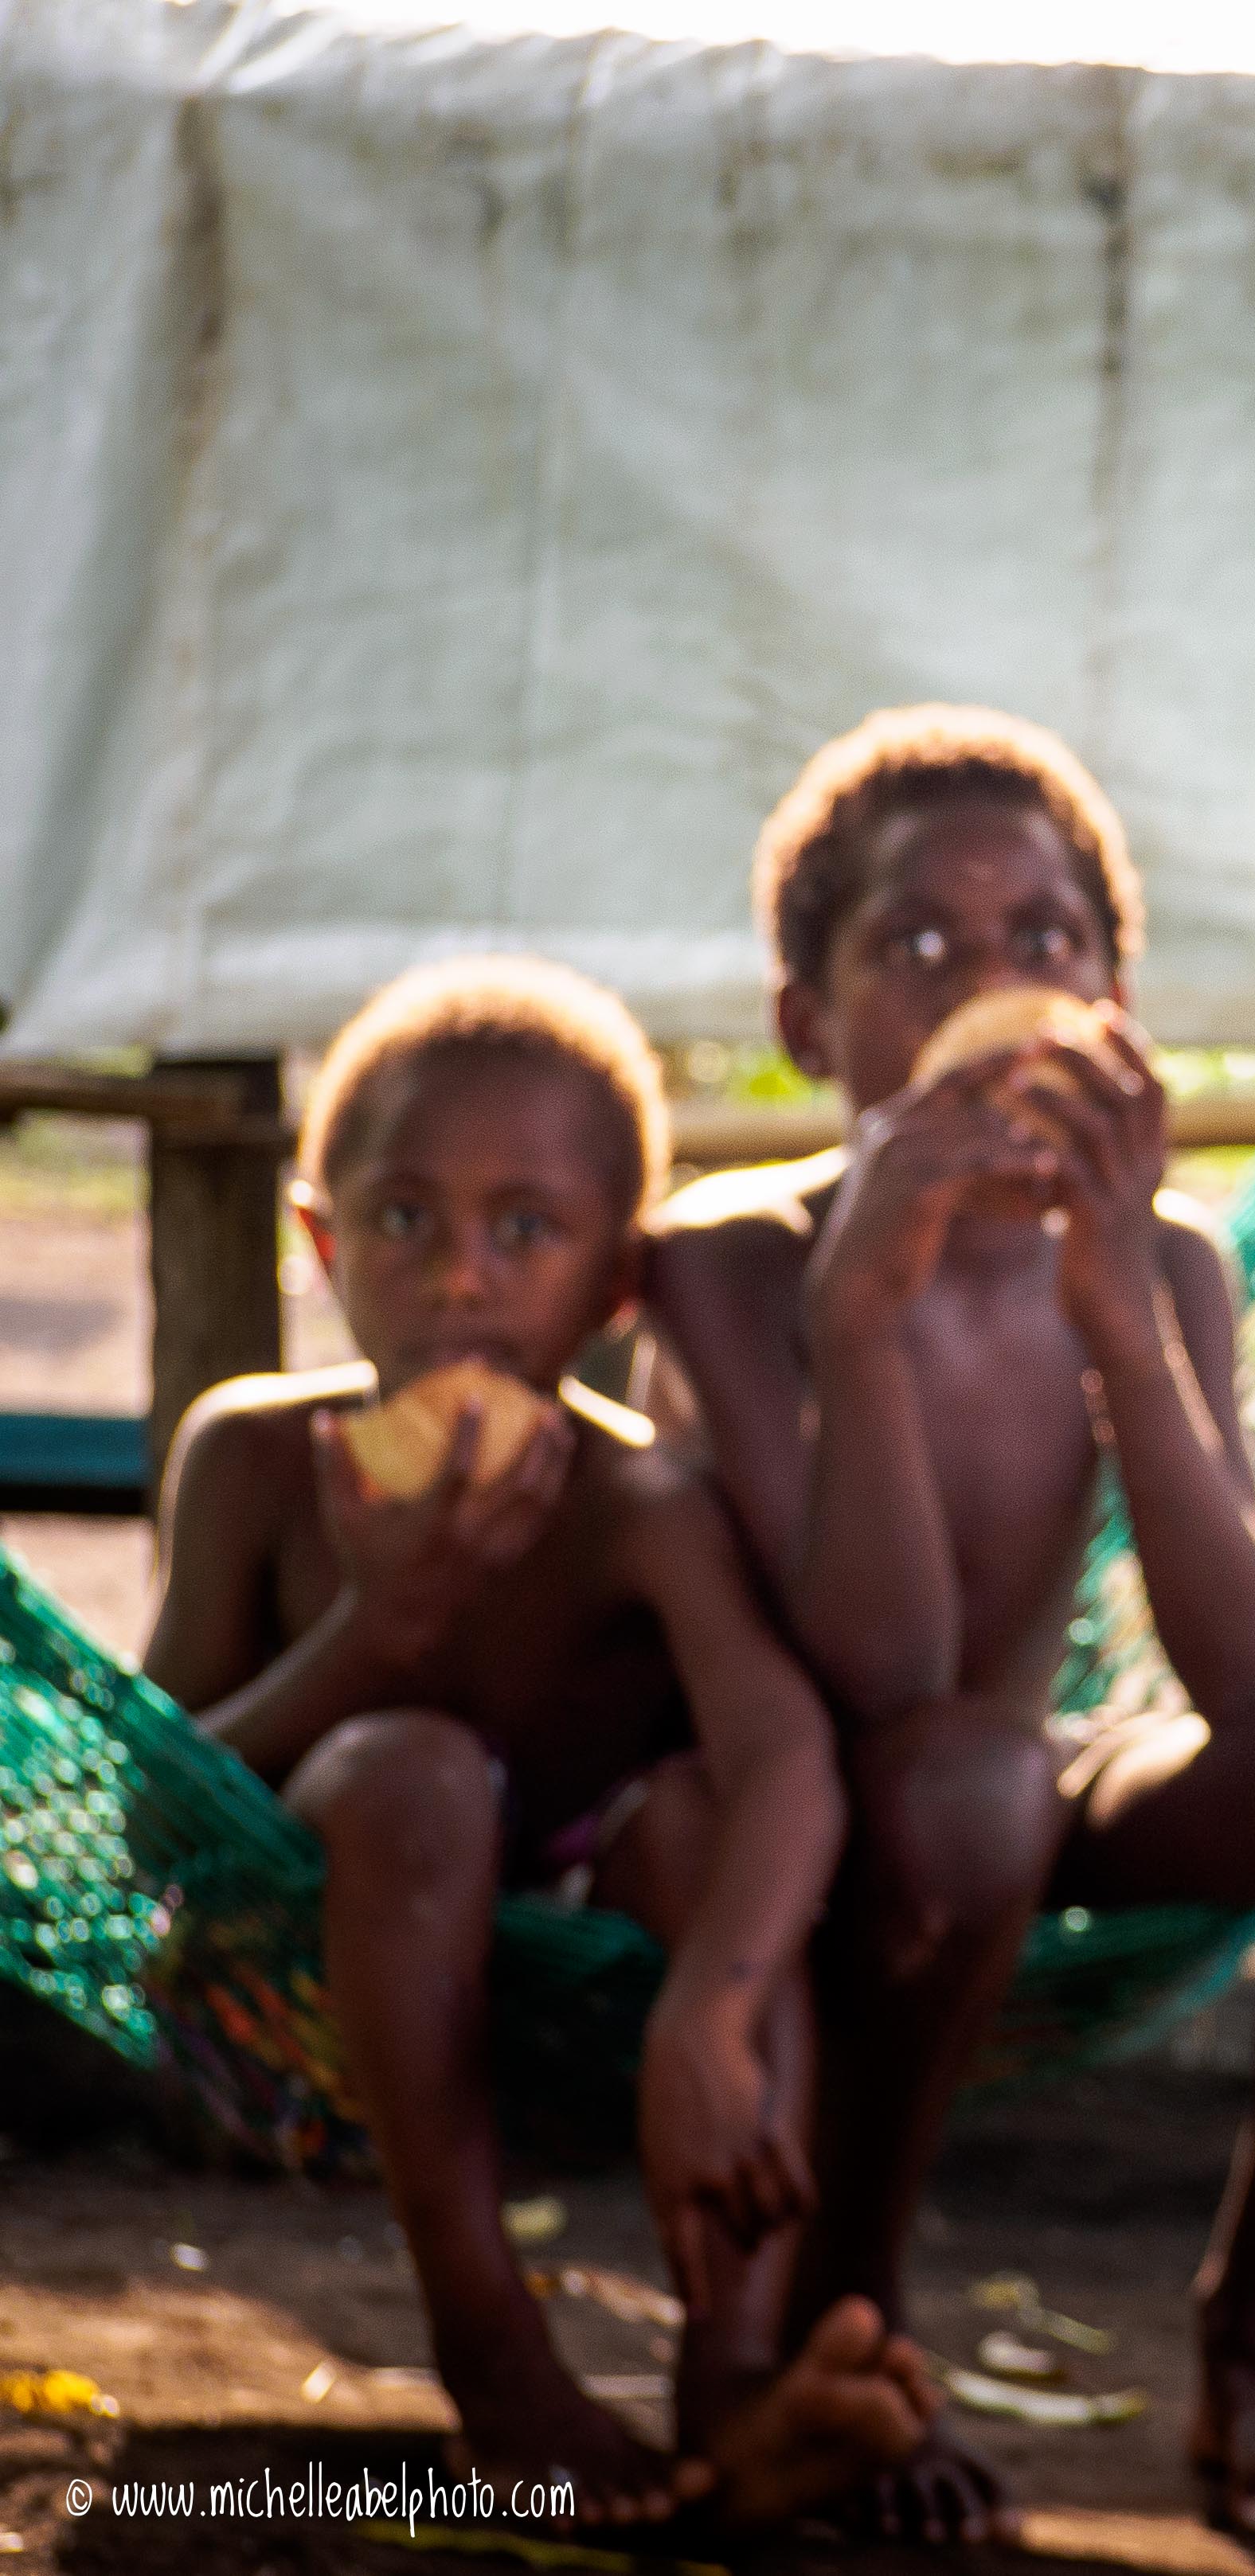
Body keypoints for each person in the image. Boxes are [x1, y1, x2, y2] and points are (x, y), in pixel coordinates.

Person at [644, 706, 1255, 2541]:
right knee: (962, 1777)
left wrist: (1114, 1313)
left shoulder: (1161, 1256)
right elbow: (876, 1680)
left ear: (1113, 1007)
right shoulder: (729, 1261)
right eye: (918, 943)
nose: (986, 984)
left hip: (1029, 1780)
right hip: (795, 1816)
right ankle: (852, 2318)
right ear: (804, 1024)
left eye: (1041, 940)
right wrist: (857, 1315)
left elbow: (1243, 1676)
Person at [147, 957, 942, 2529]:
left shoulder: (637, 1504)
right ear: (322, 1240)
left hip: (597, 1976)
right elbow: (154, 1806)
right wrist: (374, 1631)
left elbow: (785, 1759)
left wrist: (709, 2012)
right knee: (410, 1770)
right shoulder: (254, 1459)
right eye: (404, 1218)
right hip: (319, 1957)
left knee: (707, 1823)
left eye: (526, 1231)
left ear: (616, 1286)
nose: (460, 1279)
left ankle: (731, 2376)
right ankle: (494, 2350)